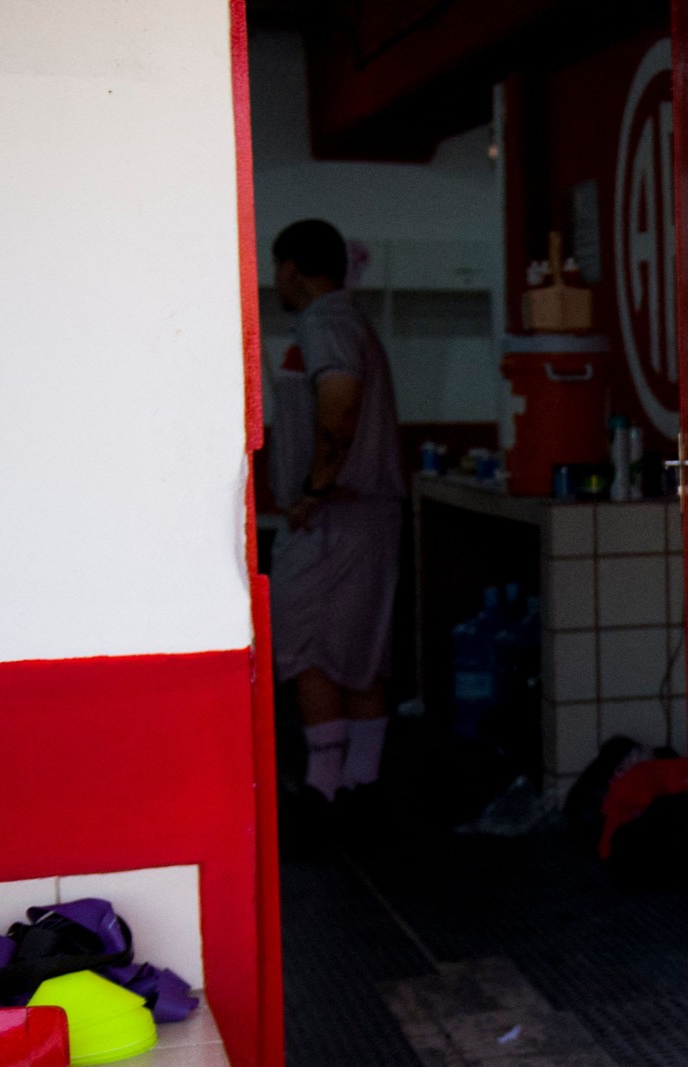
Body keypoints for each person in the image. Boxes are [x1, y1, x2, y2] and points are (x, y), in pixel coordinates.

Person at [268, 219, 405, 809]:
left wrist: (316, 489)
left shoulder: (324, 321)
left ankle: (324, 794)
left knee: (311, 650)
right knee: (359, 651)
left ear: (293, 267)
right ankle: (360, 786)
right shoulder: (347, 319)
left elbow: (340, 399)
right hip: (364, 515)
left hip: (333, 517)